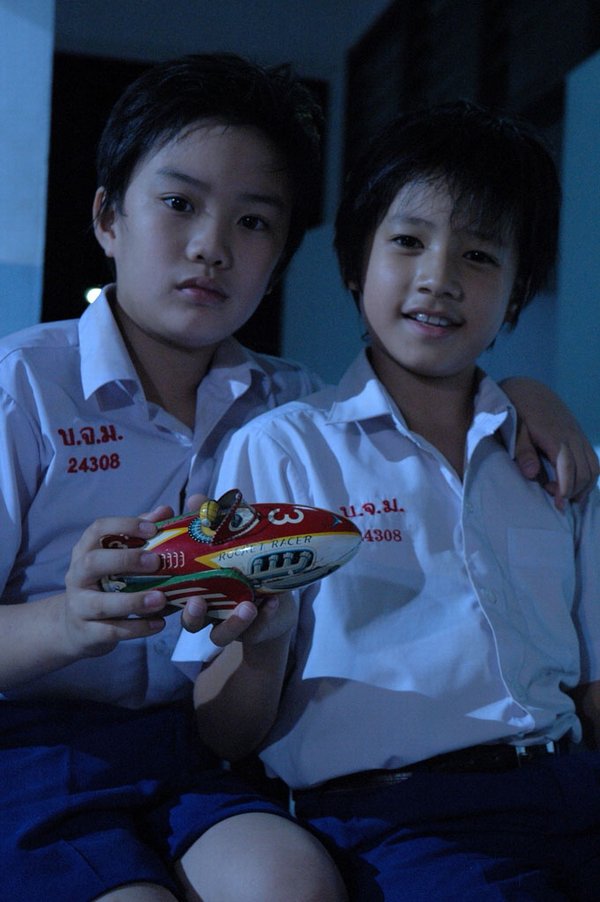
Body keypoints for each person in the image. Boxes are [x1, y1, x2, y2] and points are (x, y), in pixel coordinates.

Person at [193, 102, 600, 900]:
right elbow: (219, 728)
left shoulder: (554, 458)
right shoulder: (283, 450)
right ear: (355, 265)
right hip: (402, 822)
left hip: (572, 790)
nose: (438, 279)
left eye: (478, 254)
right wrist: (262, 646)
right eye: (408, 241)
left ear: (518, 290)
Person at [0, 53, 349, 902]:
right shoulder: (22, 388)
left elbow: (416, 401)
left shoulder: (295, 408)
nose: (211, 248)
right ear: (107, 218)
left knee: (295, 883)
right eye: (179, 203)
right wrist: (69, 620)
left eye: (253, 221)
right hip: (28, 750)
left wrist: (525, 399)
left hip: (196, 751)